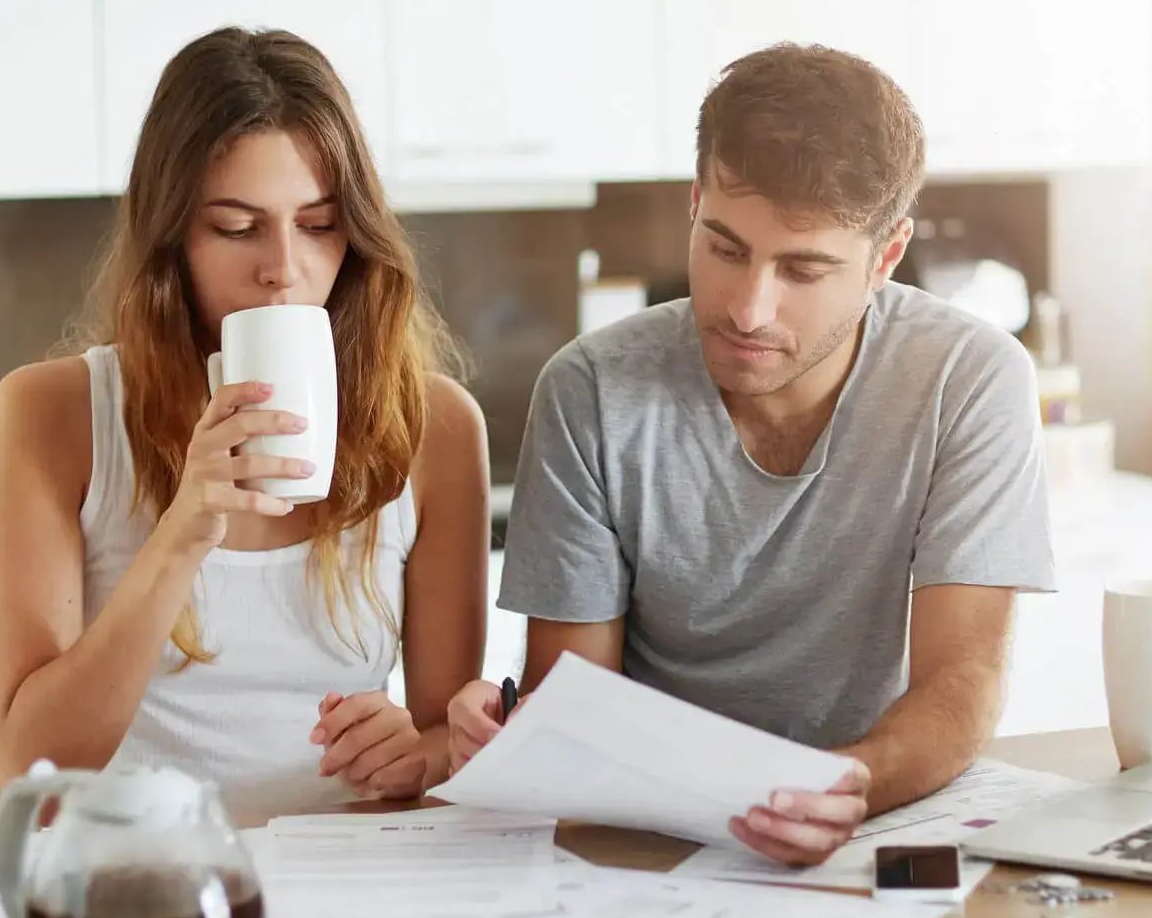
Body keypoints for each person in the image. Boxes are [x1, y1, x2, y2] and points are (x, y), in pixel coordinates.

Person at [449, 43, 1053, 864]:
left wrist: (847, 785)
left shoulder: (969, 380)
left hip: (868, 818)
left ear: (885, 257)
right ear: (695, 203)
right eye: (726, 247)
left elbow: (962, 682)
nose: (747, 307)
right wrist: (517, 733)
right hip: (643, 837)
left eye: (803, 268)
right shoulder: (590, 391)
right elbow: (574, 701)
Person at [0, 26, 489, 817]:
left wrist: (413, 753)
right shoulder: (50, 416)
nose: (283, 267)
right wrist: (187, 525)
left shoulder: (436, 429)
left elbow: (445, 743)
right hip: (141, 886)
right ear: (173, 236)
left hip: (351, 882)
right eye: (238, 226)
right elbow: (30, 772)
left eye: (318, 224)